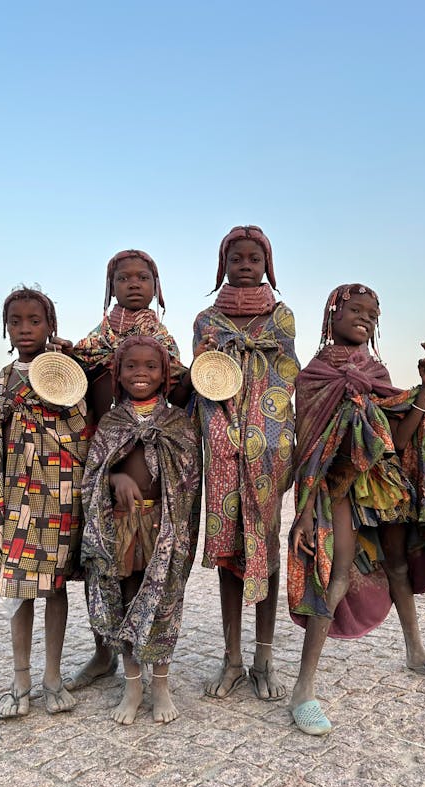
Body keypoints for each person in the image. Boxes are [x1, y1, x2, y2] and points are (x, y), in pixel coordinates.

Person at [288, 283, 425, 736]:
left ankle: (416, 652)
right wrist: (304, 514)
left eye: (372, 312)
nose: (364, 318)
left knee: (399, 567)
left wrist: (424, 389)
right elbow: (309, 450)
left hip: (384, 484)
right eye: (355, 310)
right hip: (338, 487)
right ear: (332, 315)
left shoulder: (378, 372)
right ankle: (303, 689)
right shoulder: (315, 376)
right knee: (336, 573)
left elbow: (399, 441)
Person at [59, 249, 195, 691]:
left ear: (157, 286)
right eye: (123, 278)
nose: (133, 284)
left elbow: (180, 396)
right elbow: (68, 380)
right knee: (100, 558)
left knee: (145, 567)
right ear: (110, 285)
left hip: (148, 465)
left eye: (143, 277)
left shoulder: (165, 344)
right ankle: (104, 653)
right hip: (98, 450)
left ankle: (148, 663)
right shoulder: (92, 342)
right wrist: (62, 355)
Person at [0, 285, 89, 726]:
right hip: (15, 496)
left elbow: (80, 428)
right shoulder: (1, 379)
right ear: (6, 327)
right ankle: (20, 681)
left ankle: (52, 679)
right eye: (16, 321)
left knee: (53, 586)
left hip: (58, 492)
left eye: (35, 321)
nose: (25, 329)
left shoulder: (65, 374)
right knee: (17, 587)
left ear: (50, 324)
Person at [193, 225, 300, 700]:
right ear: (223, 263)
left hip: (268, 450)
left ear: (267, 264)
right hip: (223, 451)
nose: (244, 263)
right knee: (229, 554)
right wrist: (222, 435)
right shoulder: (206, 320)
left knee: (267, 550)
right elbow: (203, 381)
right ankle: (232, 659)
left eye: (253, 257)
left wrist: (266, 438)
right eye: (236, 257)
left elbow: (285, 379)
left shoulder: (282, 318)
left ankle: (264, 659)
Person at [80, 336, 201, 724]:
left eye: (150, 366)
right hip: (121, 530)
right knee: (125, 600)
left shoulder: (177, 423)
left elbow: (189, 480)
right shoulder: (112, 423)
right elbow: (93, 472)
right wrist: (114, 476)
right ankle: (132, 685)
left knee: (164, 605)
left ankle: (161, 685)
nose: (141, 373)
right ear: (118, 374)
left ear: (165, 374)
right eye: (131, 366)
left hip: (163, 532)